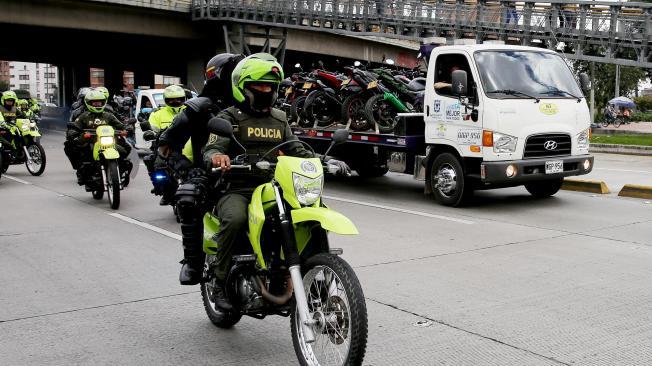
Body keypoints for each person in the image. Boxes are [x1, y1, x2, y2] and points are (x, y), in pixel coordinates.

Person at [202, 53, 350, 309]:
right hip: (239, 187)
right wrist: (218, 158)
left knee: (311, 216)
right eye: (259, 85)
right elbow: (212, 149)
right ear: (243, 87)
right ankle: (219, 281)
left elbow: (296, 149)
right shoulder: (229, 118)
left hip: (275, 186)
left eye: (270, 86)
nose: (265, 90)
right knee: (235, 219)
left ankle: (306, 277)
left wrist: (326, 160)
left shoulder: (280, 119)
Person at [156, 53, 244, 287]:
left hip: (254, 170)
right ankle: (194, 262)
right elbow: (166, 145)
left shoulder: (257, 106)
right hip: (211, 172)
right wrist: (187, 170)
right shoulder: (200, 108)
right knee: (188, 195)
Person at [64, 89, 132, 183]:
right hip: (91, 141)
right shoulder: (83, 116)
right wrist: (76, 133)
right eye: (95, 103)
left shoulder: (108, 115)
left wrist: (127, 129)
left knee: (126, 150)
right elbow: (74, 127)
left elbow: (121, 125)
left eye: (100, 103)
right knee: (77, 151)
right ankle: (82, 172)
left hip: (108, 141)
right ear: (88, 103)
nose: (98, 105)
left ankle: (120, 170)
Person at [147, 85, 188, 205]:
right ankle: (164, 191)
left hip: (189, 146)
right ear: (165, 100)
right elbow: (151, 127)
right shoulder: (158, 114)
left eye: (179, 99)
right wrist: (150, 133)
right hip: (166, 147)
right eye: (171, 99)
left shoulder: (191, 110)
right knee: (157, 165)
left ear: (184, 98)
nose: (175, 102)